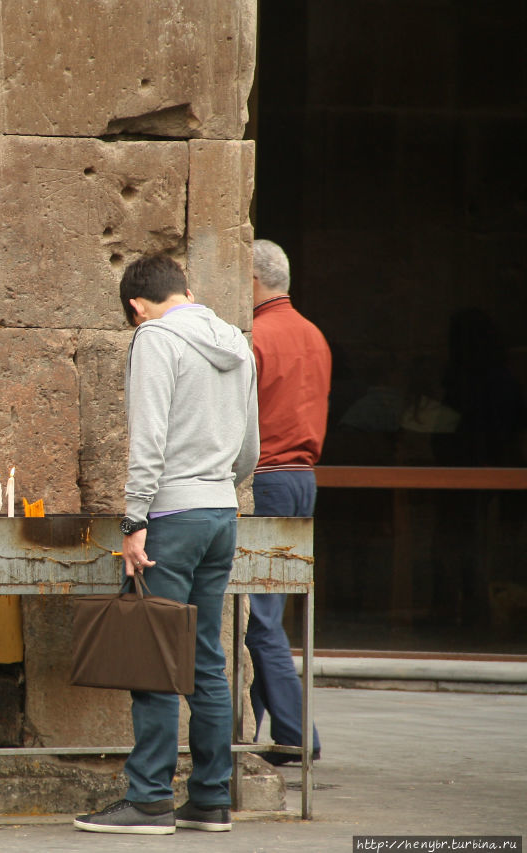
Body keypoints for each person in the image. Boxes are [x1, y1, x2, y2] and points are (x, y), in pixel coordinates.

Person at [74, 254, 258, 835]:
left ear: (136, 305)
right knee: (205, 656)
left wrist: (133, 520)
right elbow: (251, 444)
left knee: (153, 650)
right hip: (220, 512)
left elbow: (147, 435)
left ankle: (149, 798)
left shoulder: (154, 337)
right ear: (186, 288)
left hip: (172, 515)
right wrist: (223, 488)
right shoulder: (235, 339)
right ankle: (209, 798)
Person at [246, 239, 329, 766]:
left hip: (268, 478)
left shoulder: (255, 335)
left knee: (259, 617)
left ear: (250, 282)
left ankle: (297, 734)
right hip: (303, 477)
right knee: (270, 610)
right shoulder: (313, 334)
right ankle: (281, 729)